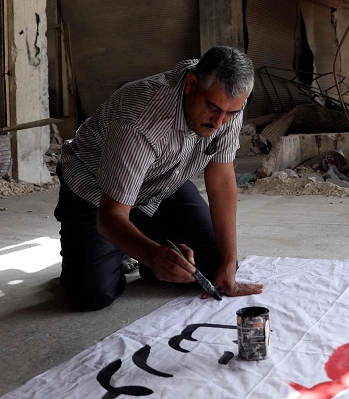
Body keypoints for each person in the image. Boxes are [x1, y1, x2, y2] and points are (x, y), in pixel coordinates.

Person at [54, 45, 264, 311]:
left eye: (231, 114)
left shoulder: (228, 102)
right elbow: (110, 216)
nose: (220, 122)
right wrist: (154, 256)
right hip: (96, 190)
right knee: (91, 294)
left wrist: (229, 262)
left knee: (218, 268)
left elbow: (221, 177)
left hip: (161, 183)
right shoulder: (141, 118)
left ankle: (140, 246)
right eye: (213, 109)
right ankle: (119, 250)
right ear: (191, 85)